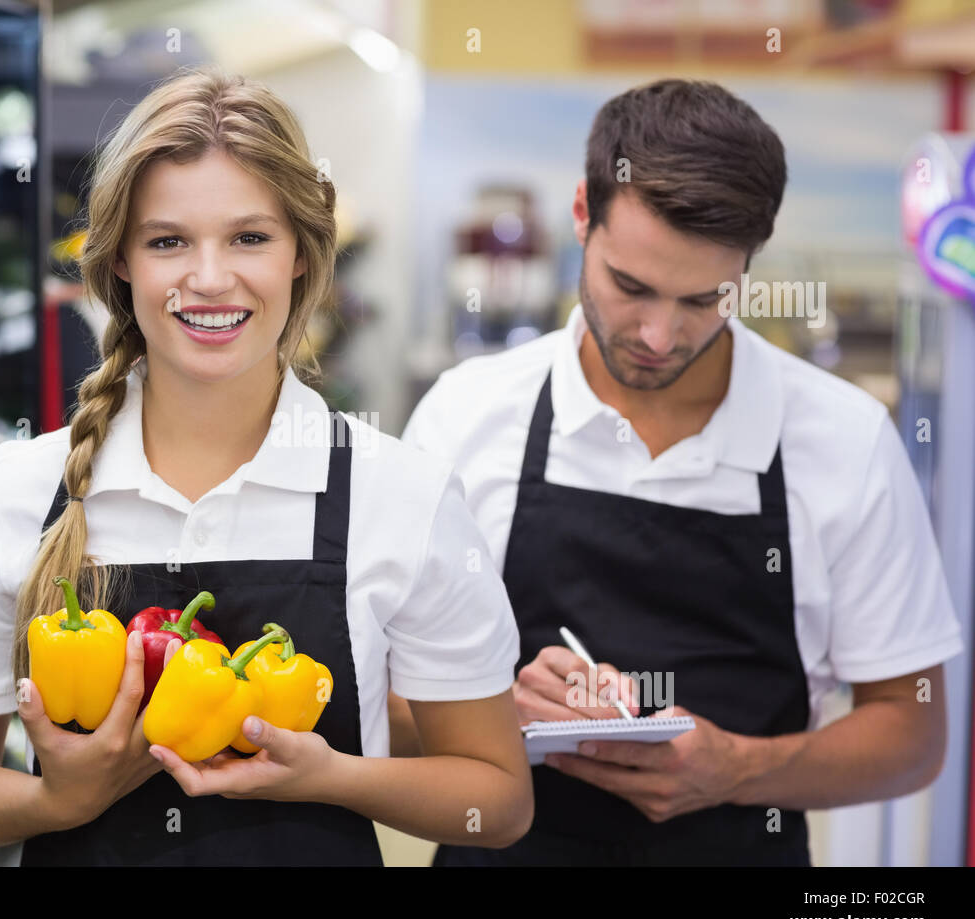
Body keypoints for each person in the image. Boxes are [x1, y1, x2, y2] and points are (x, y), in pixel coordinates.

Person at [0, 67, 532, 866]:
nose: (208, 278)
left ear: (302, 252)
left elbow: (498, 802)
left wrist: (333, 777)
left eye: (249, 237)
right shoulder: (20, 492)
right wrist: (53, 800)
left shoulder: (401, 494)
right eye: (168, 241)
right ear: (120, 261)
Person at [397, 79, 963, 866]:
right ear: (581, 217)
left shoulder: (845, 440)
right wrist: (493, 714)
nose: (660, 335)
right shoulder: (467, 414)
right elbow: (375, 695)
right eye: (630, 288)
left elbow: (912, 732)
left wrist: (738, 769)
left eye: (704, 299)